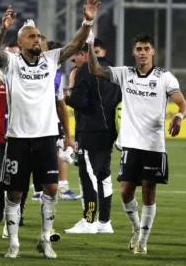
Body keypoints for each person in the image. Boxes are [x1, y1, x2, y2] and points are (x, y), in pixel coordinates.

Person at [0, 0, 100, 259]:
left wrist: (88, 20)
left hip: (46, 138)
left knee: (50, 189)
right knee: (14, 192)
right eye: (31, 36)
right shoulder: (12, 63)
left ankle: (44, 240)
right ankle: (13, 242)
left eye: (38, 36)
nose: (37, 39)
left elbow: (76, 44)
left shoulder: (51, 59)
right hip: (17, 140)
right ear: (20, 42)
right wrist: (3, 30)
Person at [88, 33, 186, 254]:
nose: (142, 53)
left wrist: (179, 117)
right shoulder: (125, 74)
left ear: (152, 52)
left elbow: (182, 103)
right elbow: (95, 70)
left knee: (148, 193)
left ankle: (142, 240)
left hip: (154, 145)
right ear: (133, 53)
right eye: (138, 49)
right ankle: (135, 229)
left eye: (146, 49)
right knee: (125, 191)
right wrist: (88, 43)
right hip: (130, 144)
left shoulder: (165, 77)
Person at [64, 39, 121, 234]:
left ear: (84, 54)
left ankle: (88, 222)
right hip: (109, 131)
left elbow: (78, 101)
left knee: (88, 175)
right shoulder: (114, 69)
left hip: (90, 130)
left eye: (75, 57)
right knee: (104, 176)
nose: (73, 60)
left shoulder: (86, 70)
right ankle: (105, 222)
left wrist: (69, 94)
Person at [0, 42, 29, 228]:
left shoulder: (27, 77)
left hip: (21, 135)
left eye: (14, 55)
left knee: (22, 176)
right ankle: (2, 202)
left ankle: (19, 211)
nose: (9, 59)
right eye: (7, 55)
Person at [32, 38, 80, 201]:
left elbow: (60, 103)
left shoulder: (56, 74)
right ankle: (42, 188)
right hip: (37, 122)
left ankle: (56, 187)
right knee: (44, 153)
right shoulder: (31, 70)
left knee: (60, 151)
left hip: (52, 121)